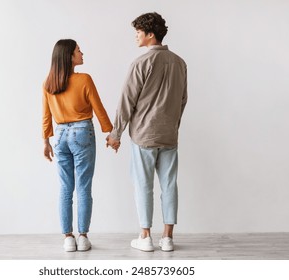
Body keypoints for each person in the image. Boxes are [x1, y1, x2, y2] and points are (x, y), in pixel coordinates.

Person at [106, 12, 188, 252]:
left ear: (150, 34)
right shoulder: (179, 63)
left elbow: (126, 102)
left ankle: (145, 236)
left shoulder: (140, 63)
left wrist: (115, 134)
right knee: (169, 184)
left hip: (144, 135)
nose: (136, 37)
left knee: (144, 185)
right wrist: (173, 125)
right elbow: (183, 100)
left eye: (138, 33)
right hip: (169, 135)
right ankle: (168, 238)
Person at [42, 39, 113, 252]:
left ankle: (67, 238)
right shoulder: (84, 79)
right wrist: (110, 132)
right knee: (83, 187)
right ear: (69, 56)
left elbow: (46, 116)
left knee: (65, 188)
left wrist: (46, 140)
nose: (82, 53)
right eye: (78, 50)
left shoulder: (48, 83)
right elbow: (98, 108)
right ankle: (83, 237)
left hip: (60, 135)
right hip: (82, 132)